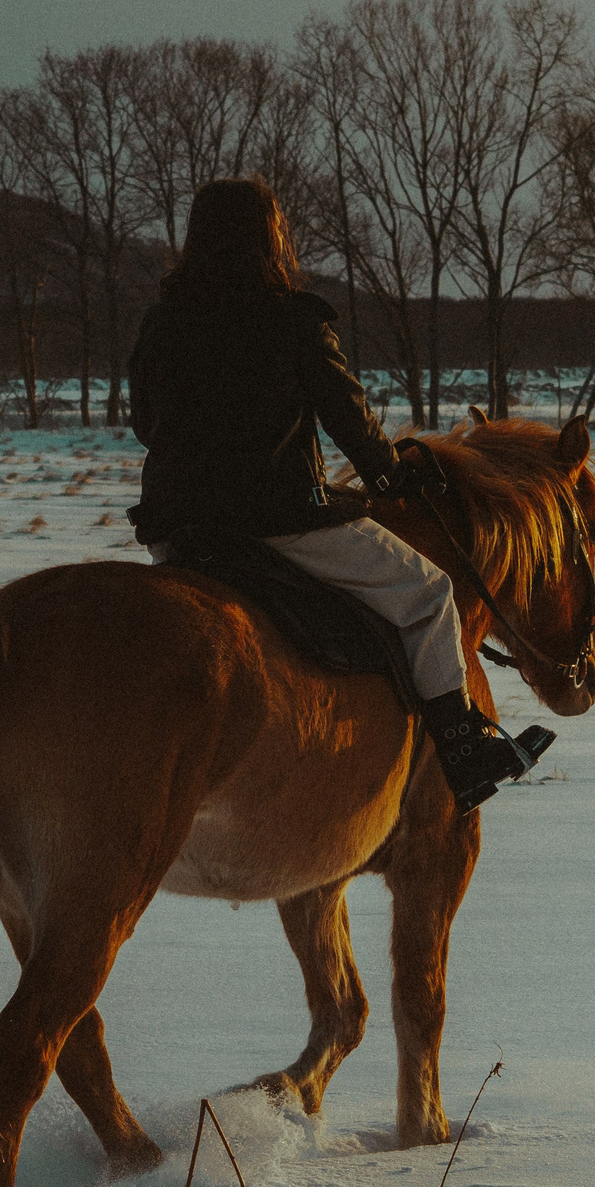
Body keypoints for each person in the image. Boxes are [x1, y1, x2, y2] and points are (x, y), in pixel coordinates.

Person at [126, 176, 550, 811]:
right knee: (430, 595)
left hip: (177, 527)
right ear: (270, 235)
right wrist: (388, 474)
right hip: (277, 519)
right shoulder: (293, 318)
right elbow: (347, 415)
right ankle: (464, 755)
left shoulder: (162, 322)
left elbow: (144, 424)